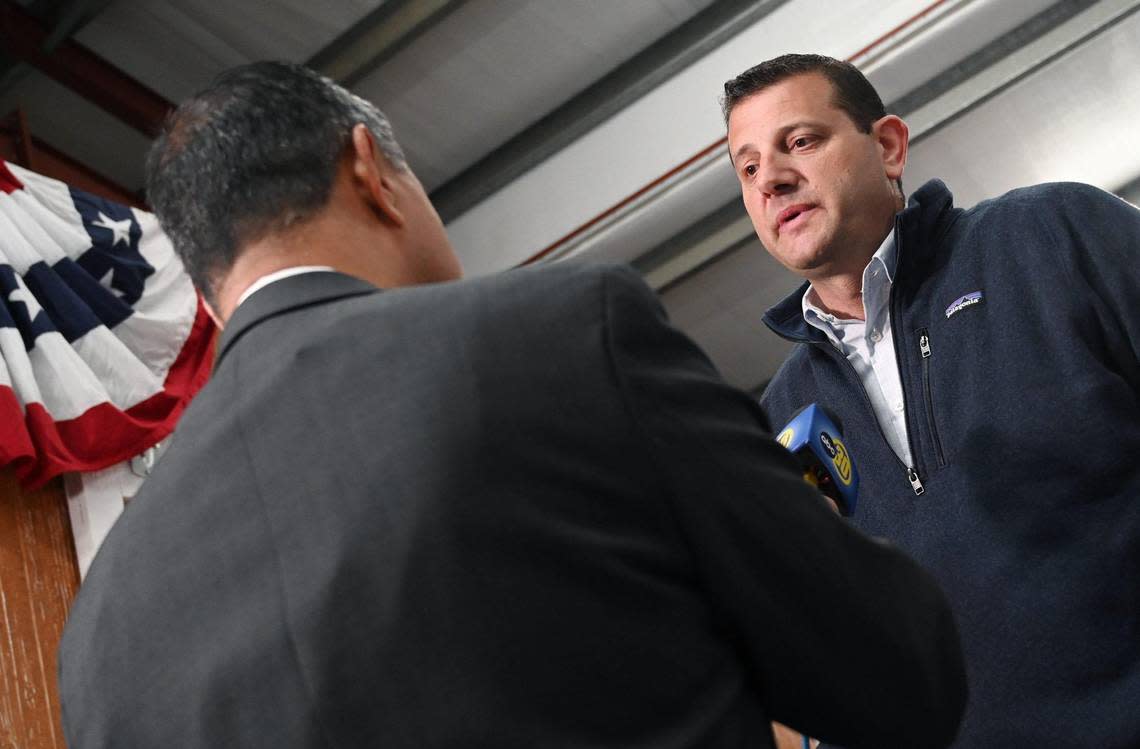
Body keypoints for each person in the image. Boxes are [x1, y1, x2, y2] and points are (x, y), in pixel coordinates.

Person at [58, 61, 967, 749]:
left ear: (208, 287)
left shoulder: (100, 625)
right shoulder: (562, 337)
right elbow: (898, 671)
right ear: (372, 169)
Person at [723, 53, 1140, 747]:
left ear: (887, 145)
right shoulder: (775, 423)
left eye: (799, 141)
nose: (772, 178)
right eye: (748, 167)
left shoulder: (1054, 236)